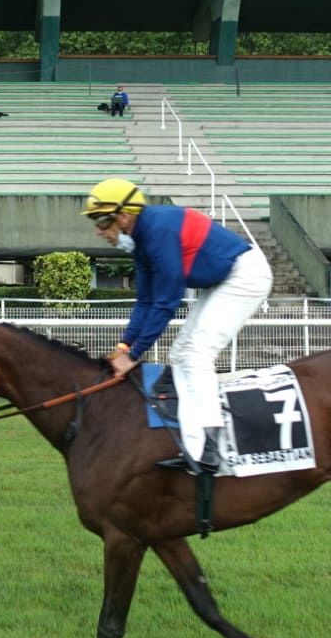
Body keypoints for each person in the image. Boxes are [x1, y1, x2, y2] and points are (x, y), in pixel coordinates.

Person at [82, 178, 273, 470]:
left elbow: (166, 303)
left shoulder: (158, 232)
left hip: (245, 276)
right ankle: (195, 447)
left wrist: (133, 356)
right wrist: (124, 345)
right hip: (223, 279)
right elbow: (145, 300)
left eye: (102, 221)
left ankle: (211, 447)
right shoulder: (141, 241)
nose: (98, 230)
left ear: (124, 215)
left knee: (196, 353)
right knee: (180, 353)